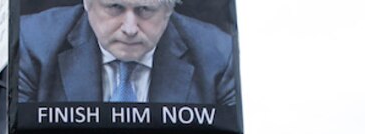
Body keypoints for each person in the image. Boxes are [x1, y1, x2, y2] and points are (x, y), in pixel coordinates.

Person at [17, 0, 237, 105]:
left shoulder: (219, 55)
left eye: (145, 10)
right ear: (87, 3)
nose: (130, 29)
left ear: (169, 9)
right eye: (115, 7)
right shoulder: (32, 41)